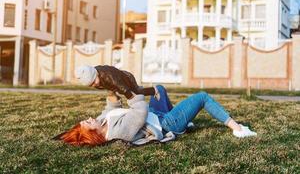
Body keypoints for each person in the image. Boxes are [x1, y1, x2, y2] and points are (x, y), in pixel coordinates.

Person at [55, 85, 257, 146]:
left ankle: (187, 119)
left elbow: (111, 106)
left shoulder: (102, 121)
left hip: (156, 113)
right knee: (202, 97)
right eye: (87, 123)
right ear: (93, 134)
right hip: (166, 123)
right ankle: (237, 129)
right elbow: (140, 110)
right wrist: (127, 91)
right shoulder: (119, 131)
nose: (89, 119)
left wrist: (107, 86)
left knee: (159, 89)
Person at [74, 65, 160, 100]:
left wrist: (130, 98)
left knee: (136, 92)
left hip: (127, 78)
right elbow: (111, 87)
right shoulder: (96, 75)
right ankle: (138, 88)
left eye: (94, 82)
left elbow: (123, 88)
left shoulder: (108, 76)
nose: (94, 85)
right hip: (119, 82)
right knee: (130, 91)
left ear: (96, 74)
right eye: (91, 85)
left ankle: (154, 90)